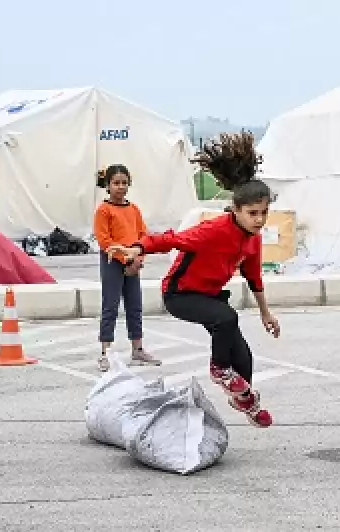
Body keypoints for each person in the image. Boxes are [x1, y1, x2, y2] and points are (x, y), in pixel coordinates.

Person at [106, 131, 280, 428]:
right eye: (253, 213)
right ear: (236, 210)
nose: (260, 220)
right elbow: (172, 239)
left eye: (264, 213)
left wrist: (266, 312)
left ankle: (246, 401)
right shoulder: (214, 230)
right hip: (180, 294)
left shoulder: (253, 238)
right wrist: (137, 248)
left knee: (244, 356)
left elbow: (253, 276)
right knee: (226, 318)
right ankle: (218, 369)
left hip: (208, 296)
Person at [93, 164, 160, 372]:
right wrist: (126, 257)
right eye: (116, 183)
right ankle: (106, 351)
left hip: (133, 261)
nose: (120, 187)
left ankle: (137, 348)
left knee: (134, 306)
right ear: (108, 185)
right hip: (113, 261)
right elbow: (104, 240)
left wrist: (138, 258)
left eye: (124, 183)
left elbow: (143, 236)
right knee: (110, 306)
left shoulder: (133, 209)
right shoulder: (104, 210)